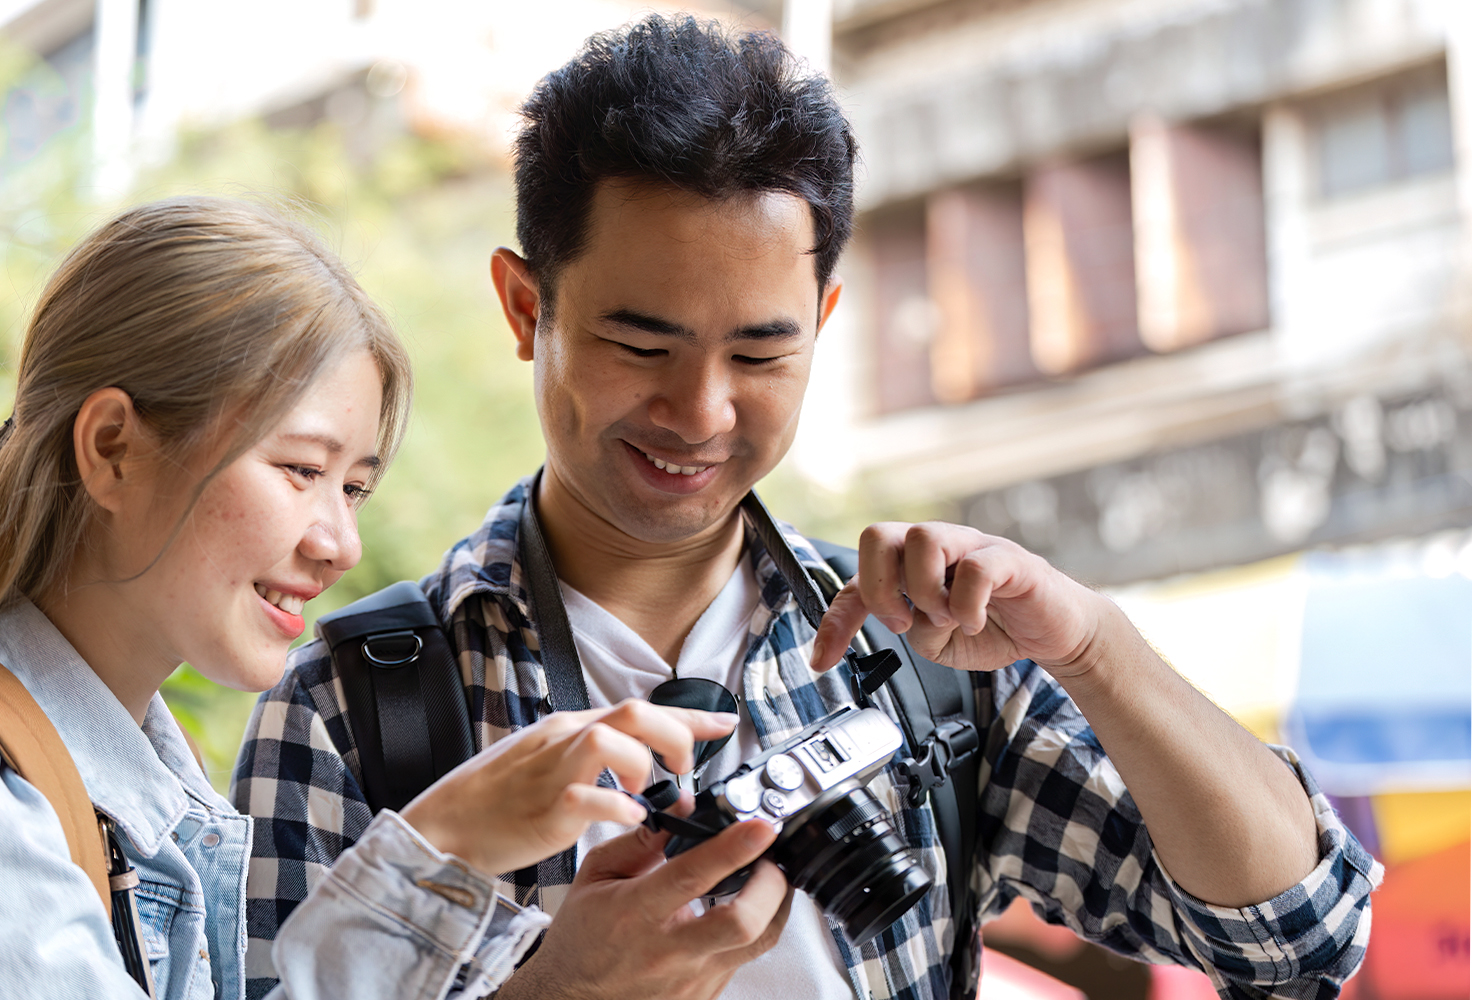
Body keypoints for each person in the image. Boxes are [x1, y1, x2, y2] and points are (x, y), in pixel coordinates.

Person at [236, 16, 1381, 1000]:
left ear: (824, 322)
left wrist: (1091, 643)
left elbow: (1297, 941)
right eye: (642, 342)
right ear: (525, 305)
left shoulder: (927, 662)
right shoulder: (359, 701)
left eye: (760, 352)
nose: (700, 410)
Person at [0, 196, 741, 1000]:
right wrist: (438, 855)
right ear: (111, 448)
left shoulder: (154, 807)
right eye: (300, 470)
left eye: (354, 488)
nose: (340, 545)